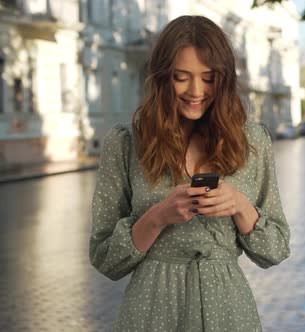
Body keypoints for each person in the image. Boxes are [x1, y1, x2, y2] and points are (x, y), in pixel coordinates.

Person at [89, 15, 290, 331]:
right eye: (181, 77)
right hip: (151, 312)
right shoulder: (126, 143)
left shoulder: (252, 141)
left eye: (209, 78)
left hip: (228, 312)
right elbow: (105, 258)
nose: (196, 90)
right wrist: (157, 216)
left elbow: (275, 250)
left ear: (223, 80)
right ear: (162, 77)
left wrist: (239, 205)